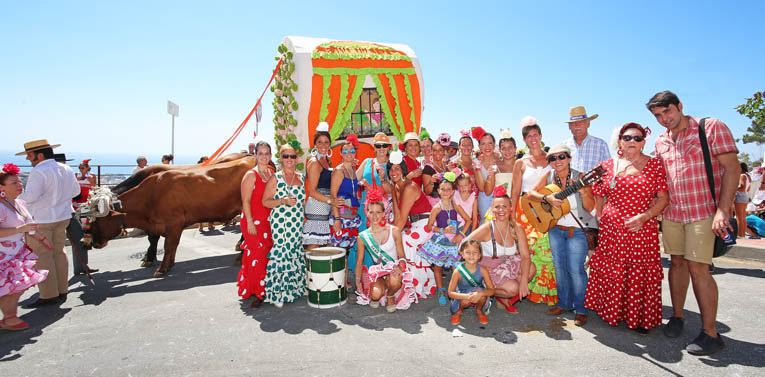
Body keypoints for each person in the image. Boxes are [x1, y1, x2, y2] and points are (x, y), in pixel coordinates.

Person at [648, 90, 739, 355]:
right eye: (658, 115)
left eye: (667, 111)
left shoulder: (710, 127)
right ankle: (677, 316)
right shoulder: (660, 141)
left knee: (699, 269)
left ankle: (710, 333)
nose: (664, 118)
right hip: (674, 213)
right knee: (676, 264)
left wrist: (723, 210)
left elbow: (732, 169)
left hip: (703, 211)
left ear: (679, 106)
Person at [586, 122, 669, 334]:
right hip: (612, 231)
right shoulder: (607, 166)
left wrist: (646, 216)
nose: (632, 141)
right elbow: (599, 194)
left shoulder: (654, 165)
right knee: (613, 270)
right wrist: (602, 217)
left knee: (638, 272)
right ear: (620, 140)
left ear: (643, 142)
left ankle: (640, 317)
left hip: (641, 230)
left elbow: (662, 198)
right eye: (628, 137)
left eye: (638, 138)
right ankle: (611, 312)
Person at [529, 145, 595, 326]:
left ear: (569, 158)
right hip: (555, 228)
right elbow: (531, 193)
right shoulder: (549, 176)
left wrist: (583, 191)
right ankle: (564, 303)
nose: (557, 161)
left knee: (576, 270)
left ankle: (581, 309)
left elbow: (590, 207)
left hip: (577, 231)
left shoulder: (580, 177)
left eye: (561, 157)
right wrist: (547, 199)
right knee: (559, 268)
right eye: (552, 158)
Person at [17, 140, 80, 308]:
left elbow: (30, 196)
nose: (28, 159)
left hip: (42, 220)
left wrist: (12, 203)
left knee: (43, 256)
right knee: (59, 252)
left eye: (29, 155)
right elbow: (76, 191)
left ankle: (48, 295)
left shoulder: (39, 171)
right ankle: (62, 290)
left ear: (40, 154)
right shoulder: (66, 168)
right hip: (63, 216)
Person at [510, 117, 558, 306]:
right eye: (529, 136)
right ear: (525, 140)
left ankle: (545, 291)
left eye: (535, 135)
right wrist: (513, 217)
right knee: (527, 250)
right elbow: (514, 192)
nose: (533, 139)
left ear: (541, 135)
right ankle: (527, 290)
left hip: (546, 208)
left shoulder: (552, 158)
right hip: (525, 209)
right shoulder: (520, 163)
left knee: (546, 249)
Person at [465, 189, 534, 314]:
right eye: (497, 207)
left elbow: (525, 256)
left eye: (504, 207)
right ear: (492, 210)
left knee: (531, 269)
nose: (501, 210)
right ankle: (481, 292)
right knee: (513, 288)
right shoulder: (487, 228)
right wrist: (473, 264)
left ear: (510, 209)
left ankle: (503, 296)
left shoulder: (517, 228)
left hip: (507, 264)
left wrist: (524, 281)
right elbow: (464, 244)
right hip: (489, 268)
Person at [0, 163, 50, 330]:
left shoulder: (19, 203)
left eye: (20, 181)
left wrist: (42, 239)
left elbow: (29, 226)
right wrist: (19, 229)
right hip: (4, 255)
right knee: (12, 288)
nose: (20, 185)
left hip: (16, 252)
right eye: (14, 183)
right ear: (1, 187)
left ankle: (9, 317)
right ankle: (10, 318)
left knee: (15, 287)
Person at [261, 142, 307, 308]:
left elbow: (303, 202)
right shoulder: (276, 178)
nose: (289, 159)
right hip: (280, 223)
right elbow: (265, 201)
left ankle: (294, 289)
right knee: (281, 254)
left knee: (294, 251)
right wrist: (283, 201)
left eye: (292, 156)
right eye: (286, 156)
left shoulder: (301, 177)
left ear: (296, 158)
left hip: (296, 223)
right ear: (280, 158)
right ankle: (278, 293)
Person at [354, 188, 415, 311]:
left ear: (383, 213)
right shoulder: (362, 237)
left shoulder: (395, 231)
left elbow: (402, 256)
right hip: (379, 273)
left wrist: (400, 267)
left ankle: (391, 295)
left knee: (395, 278)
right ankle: (380, 291)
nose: (375, 216)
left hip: (394, 271)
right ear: (367, 213)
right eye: (371, 212)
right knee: (375, 295)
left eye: (378, 212)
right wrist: (358, 281)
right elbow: (359, 262)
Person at [417, 172, 471, 305]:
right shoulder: (436, 208)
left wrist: (461, 234)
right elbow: (430, 226)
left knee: (455, 266)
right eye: (443, 189)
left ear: (453, 191)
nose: (446, 192)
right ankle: (441, 289)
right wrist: (443, 230)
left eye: (448, 189)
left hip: (453, 241)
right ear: (438, 191)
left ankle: (455, 290)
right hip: (440, 241)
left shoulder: (456, 206)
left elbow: (468, 220)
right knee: (438, 266)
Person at [389, 151, 436, 299]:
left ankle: (412, 286)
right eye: (391, 169)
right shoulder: (396, 187)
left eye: (397, 168)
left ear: (403, 170)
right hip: (415, 224)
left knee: (404, 241)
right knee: (399, 238)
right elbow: (397, 216)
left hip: (426, 224)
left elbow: (402, 219)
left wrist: (390, 237)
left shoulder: (409, 187)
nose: (393, 172)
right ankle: (414, 282)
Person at [237, 141, 274, 308]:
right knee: (257, 256)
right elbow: (245, 201)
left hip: (269, 221)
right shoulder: (251, 175)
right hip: (253, 221)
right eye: (261, 153)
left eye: (267, 153)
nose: (264, 156)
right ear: (255, 155)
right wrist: (250, 222)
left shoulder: (272, 174)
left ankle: (260, 288)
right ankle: (258, 293)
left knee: (264, 256)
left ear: (270, 156)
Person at [354, 132, 393, 272]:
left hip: (383, 208)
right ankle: (363, 271)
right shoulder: (367, 162)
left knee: (381, 239)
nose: (382, 148)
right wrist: (360, 183)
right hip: (365, 206)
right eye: (378, 145)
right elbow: (353, 181)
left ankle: (381, 273)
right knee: (364, 238)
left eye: (384, 145)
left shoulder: (392, 165)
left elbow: (393, 190)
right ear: (374, 147)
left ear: (389, 147)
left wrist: (383, 180)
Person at [55, 154, 96, 276]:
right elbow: (75, 191)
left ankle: (81, 267)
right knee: (78, 237)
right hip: (67, 210)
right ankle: (79, 267)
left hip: (67, 210)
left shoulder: (57, 175)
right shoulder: (67, 175)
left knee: (80, 236)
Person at [304, 122, 341, 250]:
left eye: (326, 142)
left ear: (330, 144)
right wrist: (331, 201)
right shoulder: (314, 163)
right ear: (315, 144)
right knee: (314, 244)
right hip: (316, 207)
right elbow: (312, 191)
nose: (323, 145)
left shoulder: (327, 161)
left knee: (325, 245)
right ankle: (310, 270)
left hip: (326, 206)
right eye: (320, 142)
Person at [447, 239, 496, 325]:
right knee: (467, 300)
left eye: (475, 252)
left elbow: (492, 290)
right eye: (468, 252)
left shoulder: (483, 270)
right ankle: (459, 311)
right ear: (462, 254)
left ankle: (479, 310)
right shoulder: (458, 271)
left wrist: (481, 293)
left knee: (482, 295)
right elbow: (450, 293)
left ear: (480, 255)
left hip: (478, 294)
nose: (471, 255)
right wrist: (467, 296)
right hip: (463, 296)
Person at [329, 135, 362, 264]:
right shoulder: (339, 171)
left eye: (352, 151)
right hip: (342, 217)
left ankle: (343, 282)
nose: (349, 153)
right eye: (345, 151)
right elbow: (333, 196)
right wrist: (337, 219)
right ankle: (333, 281)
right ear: (341, 154)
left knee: (345, 252)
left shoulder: (353, 170)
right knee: (336, 252)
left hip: (352, 218)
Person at [563, 106, 611, 173]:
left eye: (580, 122)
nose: (577, 125)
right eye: (573, 123)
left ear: (588, 124)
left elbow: (608, 170)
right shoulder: (563, 147)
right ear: (569, 126)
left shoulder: (601, 145)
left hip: (594, 183)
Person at [474, 127, 498, 221]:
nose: (487, 147)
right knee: (486, 225)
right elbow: (481, 188)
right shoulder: (476, 162)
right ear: (479, 146)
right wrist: (479, 169)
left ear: (494, 144)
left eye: (490, 143)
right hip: (485, 198)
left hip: (501, 197)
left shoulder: (500, 159)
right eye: (483, 144)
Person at [422, 134, 450, 203]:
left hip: (448, 202)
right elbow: (427, 192)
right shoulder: (428, 168)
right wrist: (431, 181)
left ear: (444, 151)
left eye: (440, 150)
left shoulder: (447, 165)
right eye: (435, 150)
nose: (437, 153)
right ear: (431, 151)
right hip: (434, 203)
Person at [197, 156, 215, 232]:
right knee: (200, 210)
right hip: (200, 191)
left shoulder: (209, 168)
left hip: (208, 191)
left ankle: (210, 225)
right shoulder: (199, 168)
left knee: (210, 209)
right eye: (205, 160)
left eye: (207, 160)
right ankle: (201, 226)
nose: (207, 161)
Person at [735, 163, 751, 238]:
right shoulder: (748, 176)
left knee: (739, 217)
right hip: (745, 196)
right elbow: (748, 188)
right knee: (743, 217)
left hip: (740, 196)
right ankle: (743, 234)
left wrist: (733, 188)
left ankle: (739, 234)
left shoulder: (742, 176)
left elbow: (742, 187)